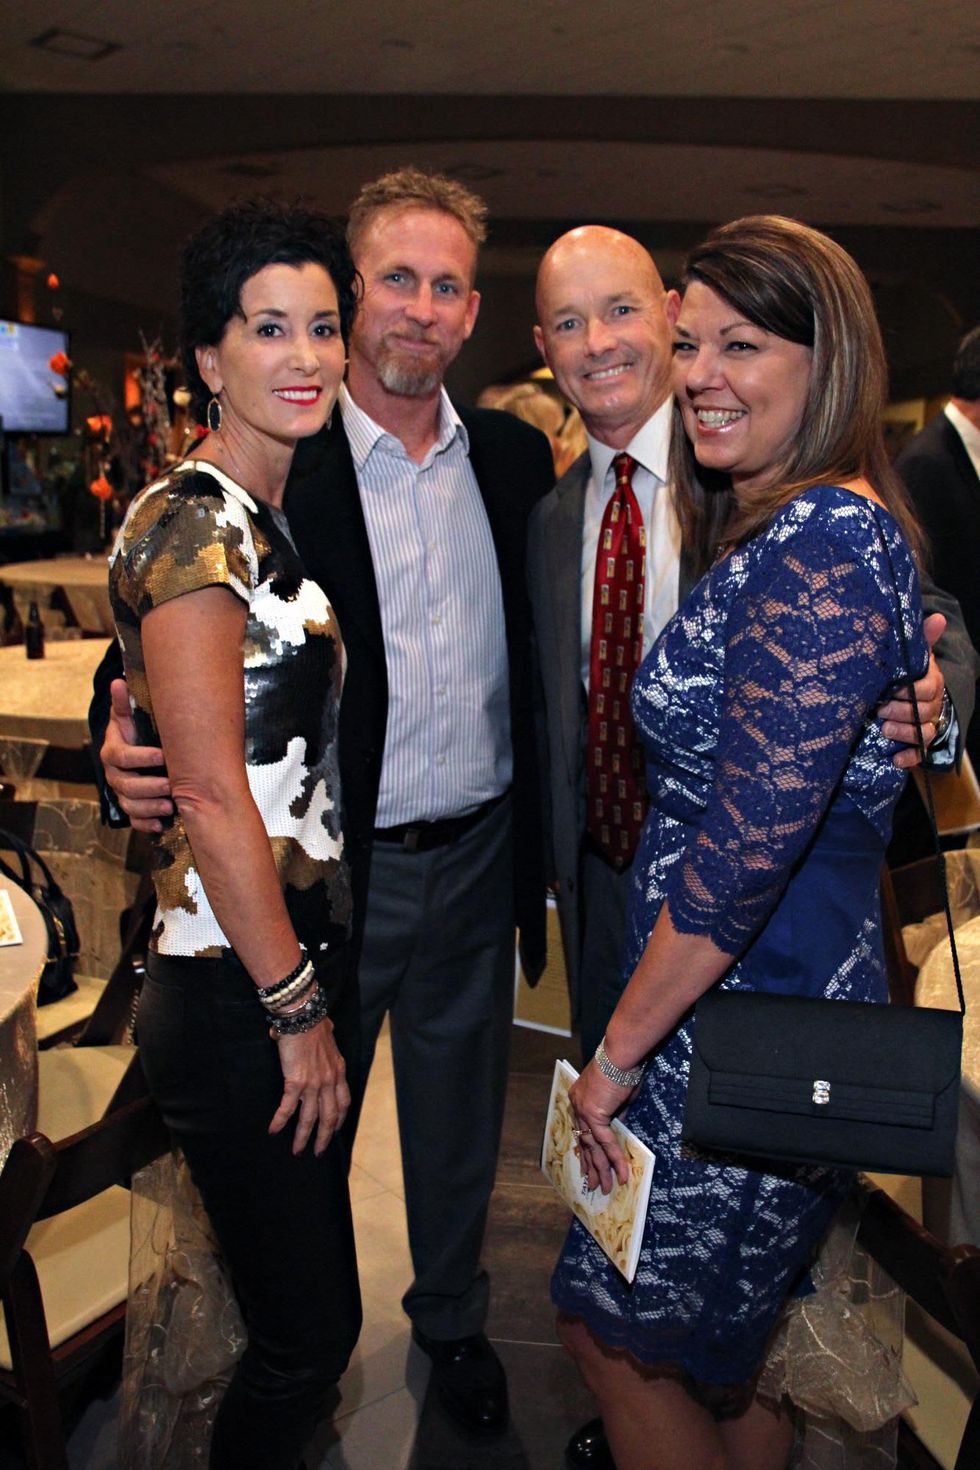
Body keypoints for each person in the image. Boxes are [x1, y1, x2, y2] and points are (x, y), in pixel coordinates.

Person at [93, 167, 553, 1437]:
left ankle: (450, 1326)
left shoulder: (514, 462)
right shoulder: (287, 459)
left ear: (472, 312)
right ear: (354, 298)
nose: (417, 309)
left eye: (446, 285)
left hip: (474, 851)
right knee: (298, 1155)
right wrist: (119, 740)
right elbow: (163, 647)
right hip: (312, 899)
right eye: (391, 281)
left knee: (459, 1130)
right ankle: (280, 1343)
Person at [551, 214, 934, 1470]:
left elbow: (741, 859)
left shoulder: (823, 537)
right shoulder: (793, 522)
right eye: (690, 342)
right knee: (724, 1356)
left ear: (826, 365)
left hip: (736, 1027)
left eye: (742, 345)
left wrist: (610, 1058)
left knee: (614, 1338)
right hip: (734, 1020)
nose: (700, 372)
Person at [106, 199, 361, 1470]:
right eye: (270, 329)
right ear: (211, 357)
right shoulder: (194, 521)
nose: (305, 354)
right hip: (236, 992)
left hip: (268, 963)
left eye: (323, 326)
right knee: (307, 1340)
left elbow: (177, 745)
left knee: (298, 1323)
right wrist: (297, 1009)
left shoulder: (260, 519)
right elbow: (207, 795)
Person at [895, 324, 980, 770]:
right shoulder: (925, 463)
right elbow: (924, 592)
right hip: (930, 714)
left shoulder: (962, 454)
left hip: (952, 700)